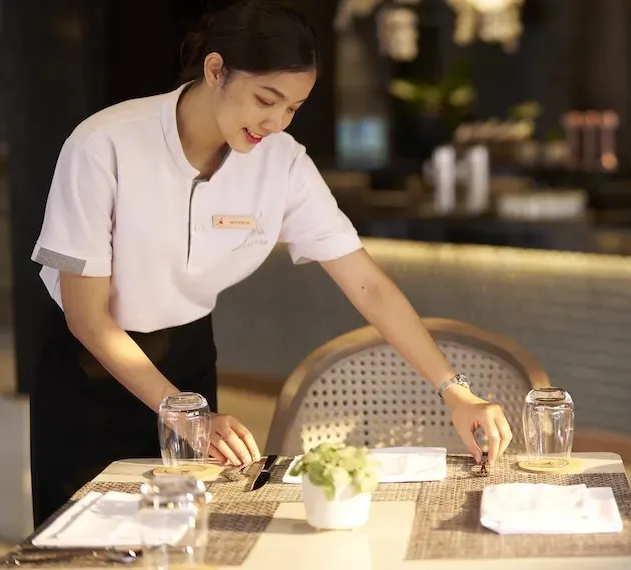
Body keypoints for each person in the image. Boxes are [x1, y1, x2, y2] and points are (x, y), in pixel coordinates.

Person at [27, 0, 512, 526]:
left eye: (293, 107)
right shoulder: (104, 145)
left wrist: (455, 392)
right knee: (80, 544)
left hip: (187, 361)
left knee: (189, 537)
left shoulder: (281, 163)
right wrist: (188, 415)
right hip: (91, 372)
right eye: (266, 99)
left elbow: (367, 284)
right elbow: (87, 317)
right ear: (216, 70)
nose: (276, 121)